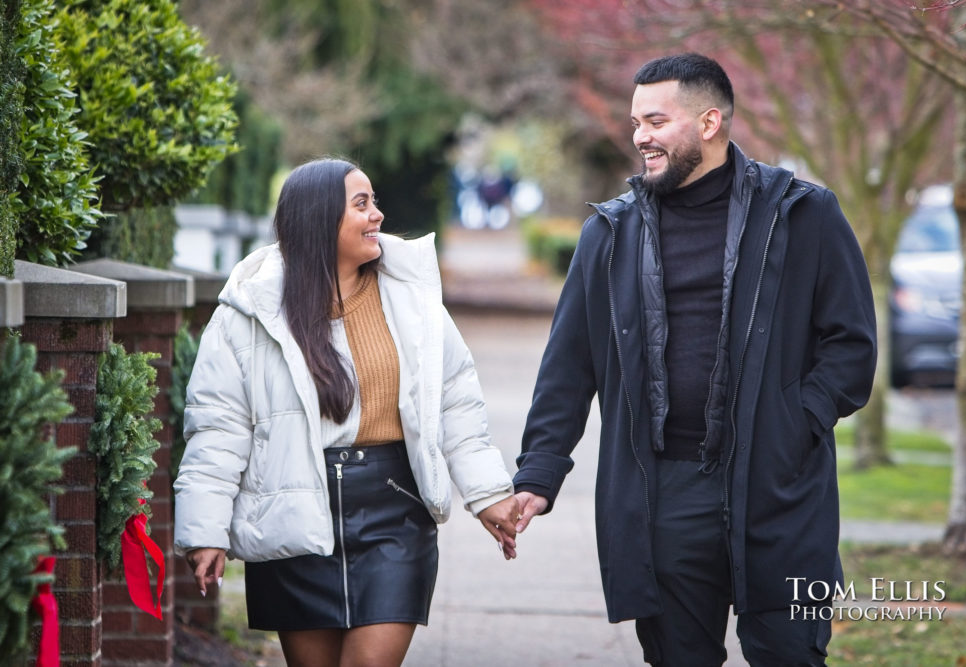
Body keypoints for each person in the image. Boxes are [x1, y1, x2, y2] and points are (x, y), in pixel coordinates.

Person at [512, 53, 876, 666]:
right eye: (635, 124)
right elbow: (569, 365)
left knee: (791, 654)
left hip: (779, 488)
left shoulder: (803, 214)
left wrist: (796, 423)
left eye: (655, 122)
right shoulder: (610, 233)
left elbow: (852, 346)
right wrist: (539, 473)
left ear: (709, 122)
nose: (639, 138)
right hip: (663, 493)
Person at [174, 157, 521, 667]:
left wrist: (488, 493)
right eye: (362, 204)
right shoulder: (247, 314)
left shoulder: (412, 300)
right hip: (293, 514)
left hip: (393, 510)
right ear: (318, 220)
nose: (378, 215)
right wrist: (204, 529)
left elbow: (456, 402)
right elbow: (217, 428)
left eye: (374, 201)